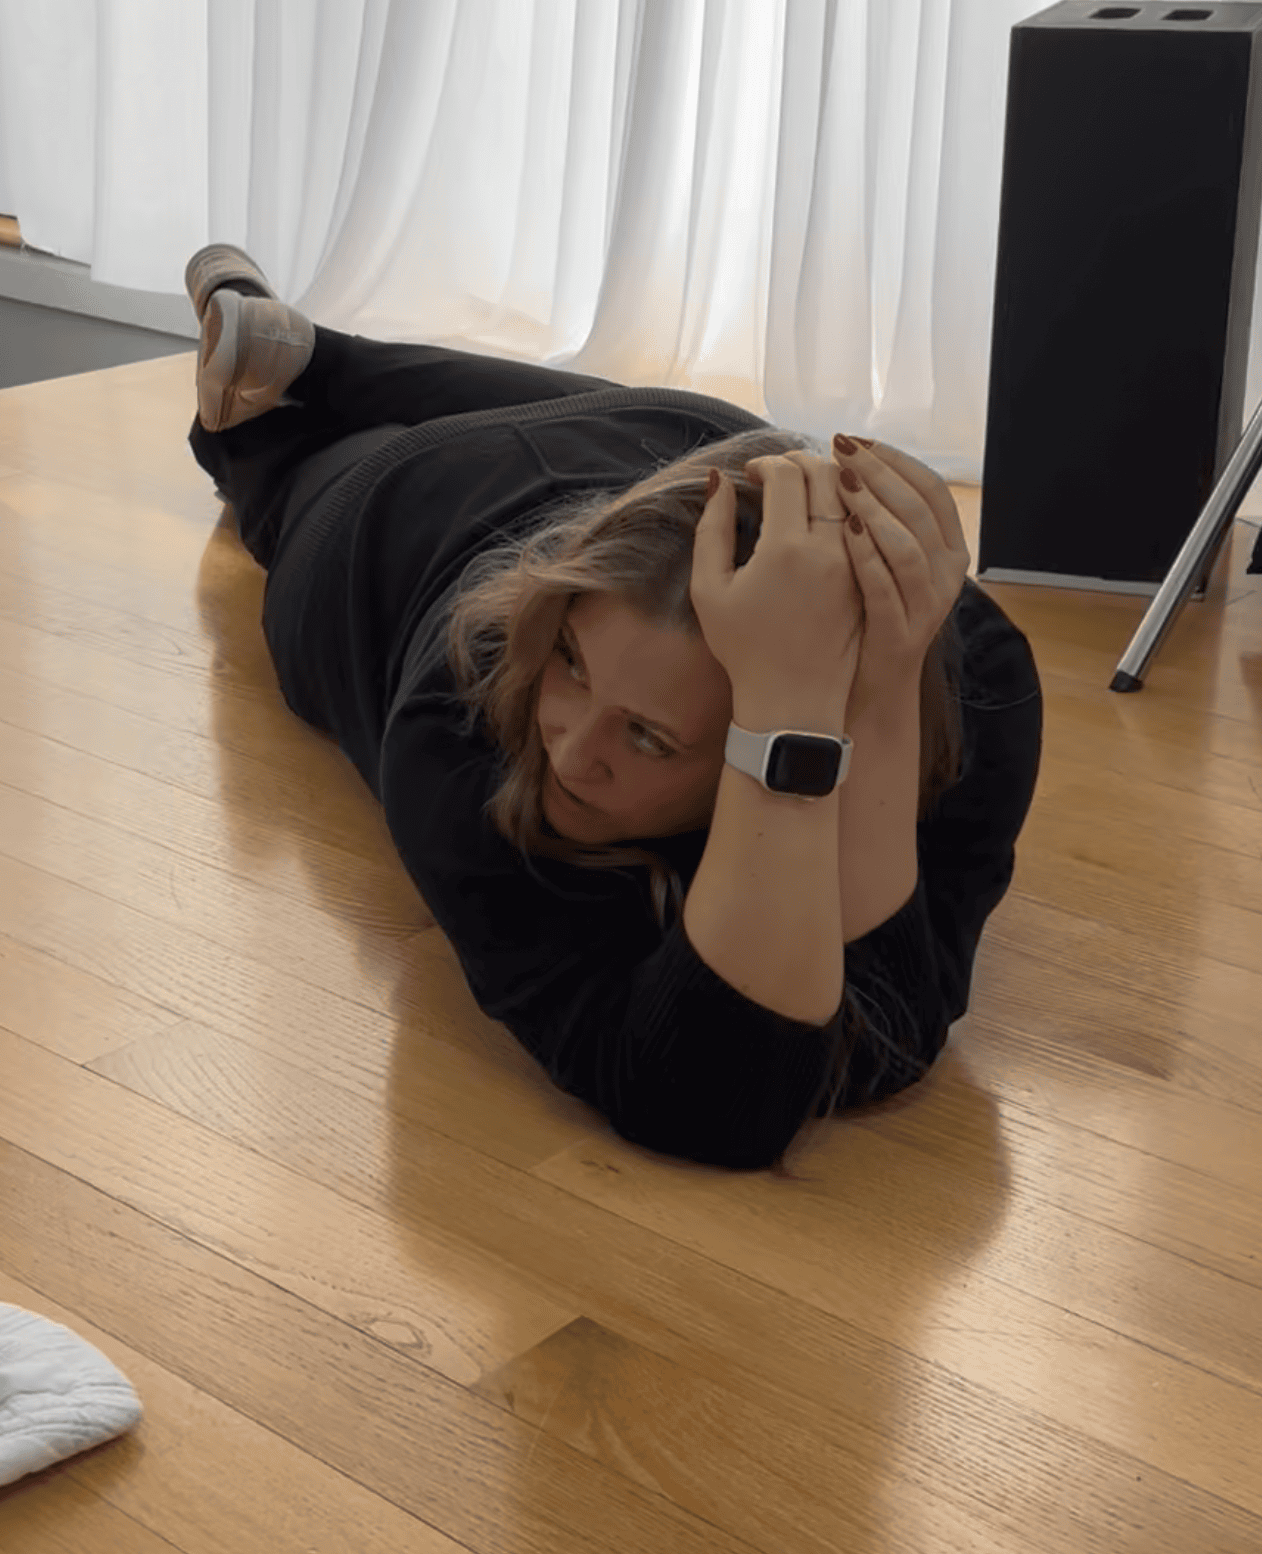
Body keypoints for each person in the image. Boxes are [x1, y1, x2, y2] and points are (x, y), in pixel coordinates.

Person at [183, 244, 1044, 1171]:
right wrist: (802, 753)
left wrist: (850, 712)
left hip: (668, 437)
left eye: (648, 735)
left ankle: (324, 361)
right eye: (571, 663)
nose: (571, 752)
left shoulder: (972, 679)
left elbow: (876, 1040)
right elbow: (708, 1105)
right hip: (406, 503)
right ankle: (300, 386)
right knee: (273, 459)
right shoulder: (465, 708)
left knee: (569, 421)